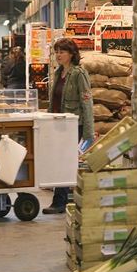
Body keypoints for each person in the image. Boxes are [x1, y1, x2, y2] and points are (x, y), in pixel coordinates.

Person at [42, 38, 94, 214]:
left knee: (65, 162)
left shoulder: (79, 74)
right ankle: (61, 201)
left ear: (72, 54)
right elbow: (54, 101)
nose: (58, 55)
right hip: (58, 124)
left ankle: (60, 202)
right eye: (56, 52)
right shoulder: (58, 73)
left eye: (62, 52)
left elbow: (87, 102)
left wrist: (88, 132)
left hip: (73, 125)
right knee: (60, 161)